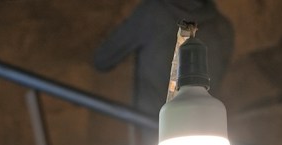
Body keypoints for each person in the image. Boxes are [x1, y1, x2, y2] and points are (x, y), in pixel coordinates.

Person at [92, 0, 236, 115]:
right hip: (202, 127)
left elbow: (103, 59)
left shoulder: (151, 13)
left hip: (154, 127)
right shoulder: (223, 27)